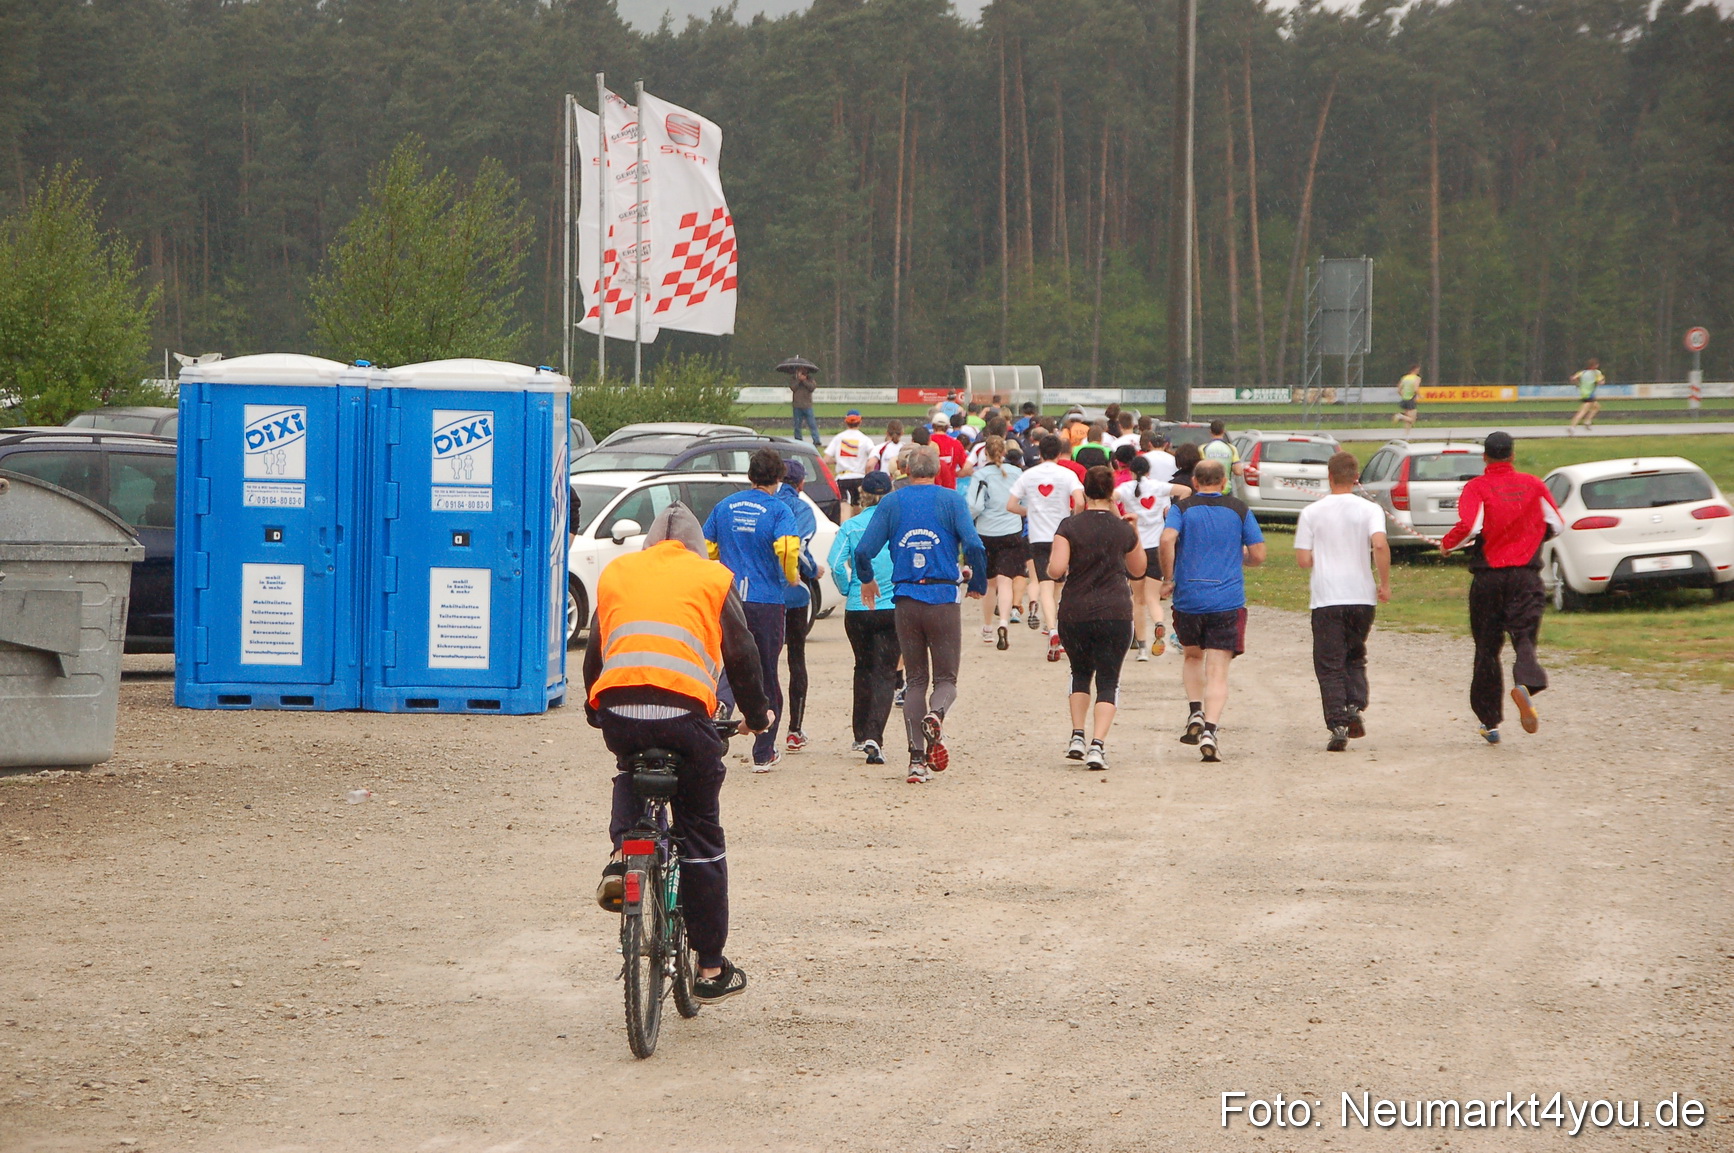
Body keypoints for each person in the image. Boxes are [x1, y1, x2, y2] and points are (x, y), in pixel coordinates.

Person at [584, 503, 773, 1004]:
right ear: (695, 546)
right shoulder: (711, 576)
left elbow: (595, 651)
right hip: (687, 713)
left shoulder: (619, 572)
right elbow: (742, 653)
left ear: (649, 546)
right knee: (701, 833)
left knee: (630, 767)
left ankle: (625, 852)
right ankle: (710, 967)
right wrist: (756, 717)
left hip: (619, 708)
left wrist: (595, 708)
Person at [853, 446, 988, 784]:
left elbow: (863, 550)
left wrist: (867, 580)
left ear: (906, 470)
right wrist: (978, 582)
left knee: (914, 680)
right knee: (946, 680)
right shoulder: (951, 500)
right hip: (942, 596)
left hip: (906, 599)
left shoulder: (892, 502)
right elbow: (974, 545)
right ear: (938, 470)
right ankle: (937, 713)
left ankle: (916, 760)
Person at [1438, 431, 1563, 744]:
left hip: (1489, 581)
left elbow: (1470, 526)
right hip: (1526, 577)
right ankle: (1526, 683)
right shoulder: (1534, 484)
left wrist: (1447, 545)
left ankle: (1489, 721)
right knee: (1524, 638)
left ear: (1485, 457)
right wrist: (1532, 536)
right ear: (1512, 455)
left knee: (1486, 650)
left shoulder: (1477, 486)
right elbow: (1557, 524)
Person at [1158, 457, 1266, 762]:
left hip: (1189, 597)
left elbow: (1167, 538)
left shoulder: (1182, 509)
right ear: (1223, 482)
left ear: (1194, 482)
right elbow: (1258, 555)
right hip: (1226, 600)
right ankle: (1210, 729)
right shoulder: (1239, 510)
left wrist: (1169, 578)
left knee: (1192, 656)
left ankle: (1195, 710)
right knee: (1218, 671)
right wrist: (1241, 556)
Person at [702, 449, 802, 770]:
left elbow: (706, 547)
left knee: (731, 664)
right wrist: (791, 576)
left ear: (750, 475)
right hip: (766, 600)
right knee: (766, 672)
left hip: (729, 598)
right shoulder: (779, 509)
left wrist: (721, 570)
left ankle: (718, 722)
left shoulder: (725, 506)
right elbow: (787, 547)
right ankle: (764, 751)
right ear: (778, 478)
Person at [1048, 466, 1145, 770]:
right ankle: (1097, 746)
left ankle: (1077, 734)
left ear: (1085, 491)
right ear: (1112, 492)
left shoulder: (1069, 526)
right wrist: (1134, 531)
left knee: (1079, 672)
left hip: (1075, 610)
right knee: (1108, 679)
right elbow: (1139, 569)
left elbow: (1055, 570)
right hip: (1115, 611)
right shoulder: (1123, 530)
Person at [1294, 452, 1392, 751]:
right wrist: (1384, 583)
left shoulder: (1312, 512)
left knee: (1328, 662)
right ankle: (1355, 705)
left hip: (1327, 597)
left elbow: (1303, 559)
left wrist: (1319, 556)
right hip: (1361, 595)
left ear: (1329, 476)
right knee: (1354, 654)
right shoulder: (1370, 509)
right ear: (1355, 477)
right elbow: (1378, 543)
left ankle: (1337, 722)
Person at [830, 471, 898, 765]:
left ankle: (859, 732)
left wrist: (848, 589)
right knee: (885, 671)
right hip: (891, 604)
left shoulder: (852, 525)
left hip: (858, 607)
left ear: (862, 495)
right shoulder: (896, 525)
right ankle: (875, 735)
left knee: (863, 666)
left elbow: (835, 564)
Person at [1007, 434, 1086, 658]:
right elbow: (1080, 501)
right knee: (1060, 584)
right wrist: (1073, 517)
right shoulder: (1067, 474)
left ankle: (1052, 629)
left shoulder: (1029, 475)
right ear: (1060, 453)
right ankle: (1057, 626)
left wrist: (1029, 512)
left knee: (1045, 585)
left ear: (1040, 453)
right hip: (1062, 535)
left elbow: (1011, 505)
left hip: (1038, 536)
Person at [1115, 454, 1190, 661]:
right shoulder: (1158, 486)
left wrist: (1119, 516)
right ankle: (1158, 623)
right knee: (1152, 597)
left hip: (1136, 547)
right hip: (1156, 548)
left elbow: (1110, 497)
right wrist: (1175, 511)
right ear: (1149, 471)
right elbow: (1186, 490)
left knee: (1137, 601)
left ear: (1131, 471)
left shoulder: (1127, 489)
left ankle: (1142, 649)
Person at [775, 461, 820, 755]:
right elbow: (799, 549)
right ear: (801, 484)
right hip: (793, 592)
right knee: (796, 658)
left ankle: (761, 722)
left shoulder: (769, 503)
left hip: (759, 592)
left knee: (763, 660)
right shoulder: (802, 509)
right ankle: (794, 730)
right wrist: (813, 570)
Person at [967, 434, 1027, 650]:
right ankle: (1004, 621)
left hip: (986, 531)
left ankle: (988, 627)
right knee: (1006, 580)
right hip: (1011, 530)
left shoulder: (981, 475)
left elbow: (974, 506)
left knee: (990, 583)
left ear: (985, 454)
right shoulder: (1017, 473)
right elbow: (1025, 500)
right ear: (1004, 451)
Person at [825, 410, 875, 512]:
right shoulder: (865, 439)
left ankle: (844, 526)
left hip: (843, 478)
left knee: (845, 505)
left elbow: (826, 459)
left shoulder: (838, 438)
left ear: (845, 421)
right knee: (858, 506)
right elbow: (873, 456)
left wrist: (837, 461)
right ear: (860, 421)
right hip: (859, 477)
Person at [786, 362, 821, 448]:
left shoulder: (810, 379)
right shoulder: (793, 379)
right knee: (797, 425)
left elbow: (812, 388)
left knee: (812, 424)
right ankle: (798, 440)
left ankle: (816, 441)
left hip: (807, 405)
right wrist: (798, 380)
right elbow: (792, 388)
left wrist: (804, 380)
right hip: (797, 406)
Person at [928, 413, 968, 488]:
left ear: (933, 426)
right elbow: (966, 468)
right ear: (947, 427)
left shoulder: (927, 442)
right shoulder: (956, 444)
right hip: (950, 488)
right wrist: (953, 474)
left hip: (930, 488)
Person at [1567, 358, 1604, 434]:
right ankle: (1572, 426)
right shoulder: (1596, 373)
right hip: (1589, 394)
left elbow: (1573, 378)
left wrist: (1578, 384)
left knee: (1596, 406)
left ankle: (1587, 421)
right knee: (1583, 411)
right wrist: (1598, 382)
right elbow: (1601, 382)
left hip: (1583, 393)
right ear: (1595, 366)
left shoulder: (1582, 372)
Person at [1393, 364, 1422, 432]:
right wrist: (1419, 395)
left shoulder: (1404, 377)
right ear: (1416, 370)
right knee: (1412, 419)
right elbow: (1415, 389)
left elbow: (1399, 389)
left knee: (1407, 420)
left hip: (1405, 399)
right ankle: (1400, 416)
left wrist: (1404, 395)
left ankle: (1406, 436)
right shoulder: (1416, 378)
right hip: (1411, 399)